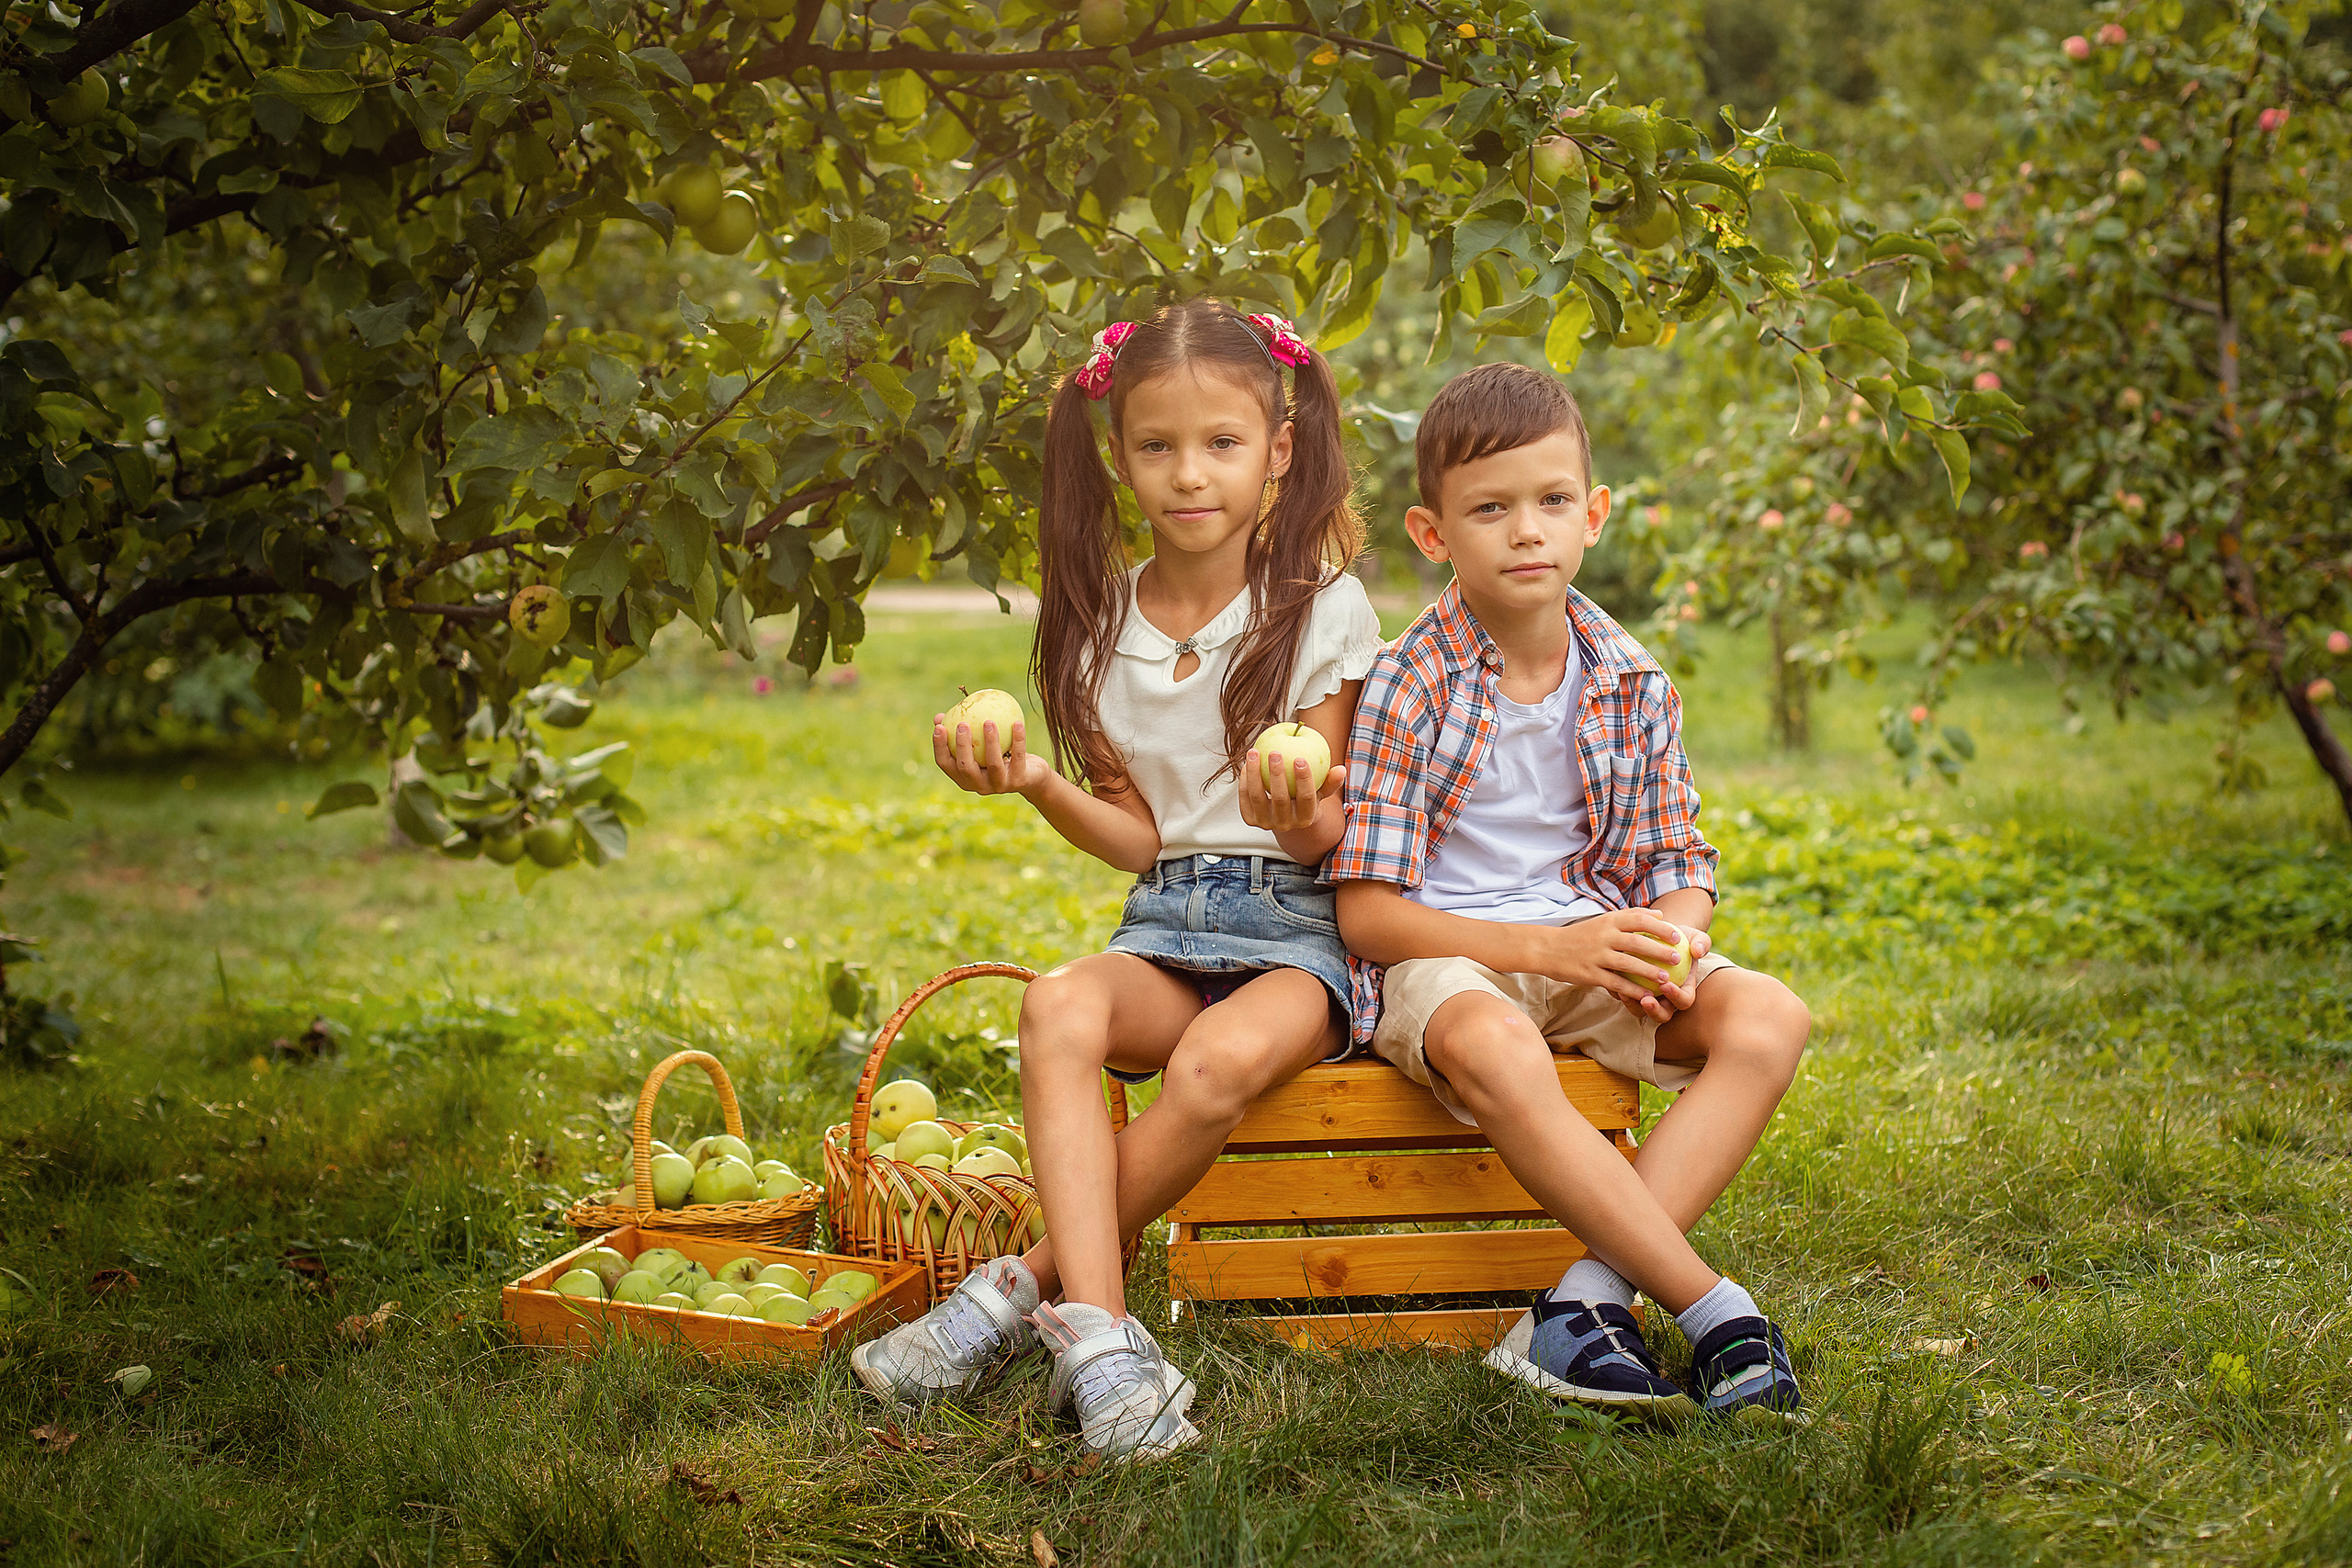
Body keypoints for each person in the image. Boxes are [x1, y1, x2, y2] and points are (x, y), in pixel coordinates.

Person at [853, 299, 1383, 1461]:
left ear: (1278, 451)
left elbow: (1326, 837)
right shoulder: (1098, 624)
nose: (1189, 474)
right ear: (1119, 455)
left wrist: (1289, 806)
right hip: (1169, 918)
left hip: (1299, 929)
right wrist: (1038, 782)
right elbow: (1144, 842)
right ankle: (1101, 1341)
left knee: (1213, 1060)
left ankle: (1014, 1302)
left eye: (1223, 444)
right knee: (1057, 1001)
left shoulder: (1319, 605)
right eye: (1157, 446)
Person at [1326, 362, 1811, 1424]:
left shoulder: (1631, 678)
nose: (1525, 531)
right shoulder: (1410, 680)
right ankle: (1715, 1309)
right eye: (1489, 509)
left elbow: (1677, 869)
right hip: (1440, 959)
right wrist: (1549, 953)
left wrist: (1669, 943)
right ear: (1432, 533)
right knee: (1496, 1041)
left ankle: (1580, 1303)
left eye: (1551, 502)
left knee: (1769, 1016)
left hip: (1586, 946)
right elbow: (1366, 913)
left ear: (1592, 514)